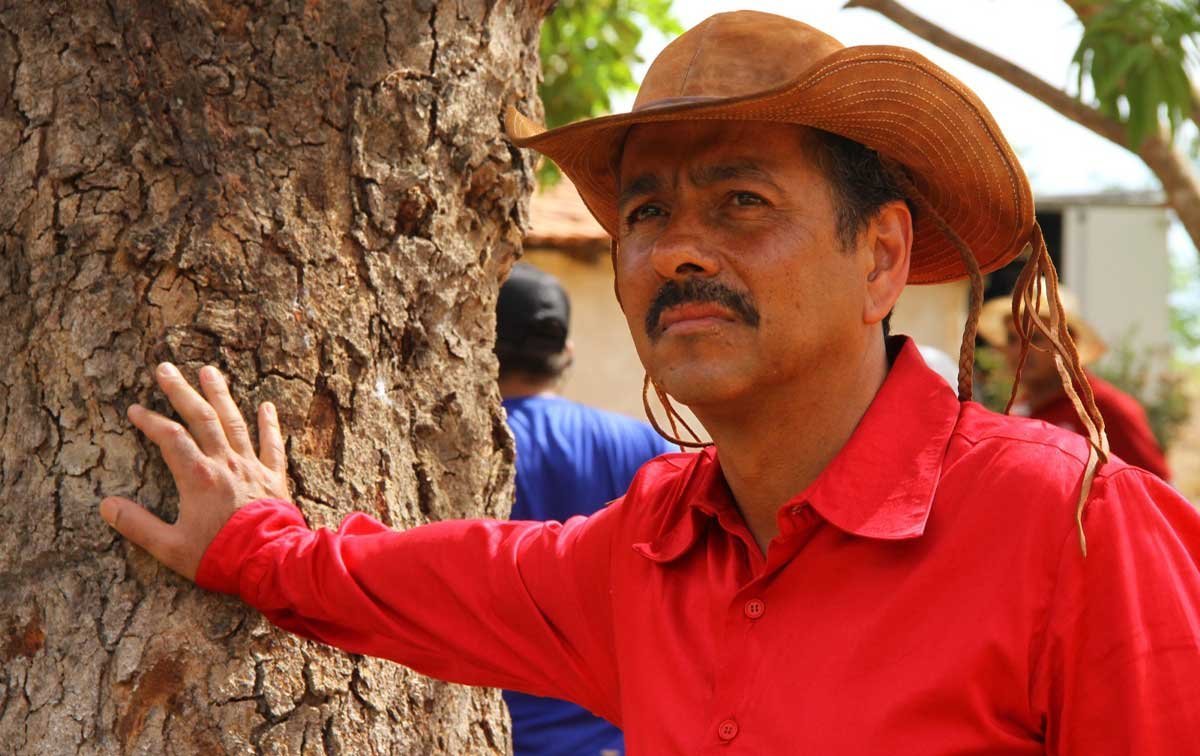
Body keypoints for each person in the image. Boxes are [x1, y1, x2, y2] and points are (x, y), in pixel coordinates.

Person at [98, 11, 1200, 752]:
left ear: (881, 258)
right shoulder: (649, 550)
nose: (677, 251)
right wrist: (248, 544)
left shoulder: (1074, 527)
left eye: (741, 204)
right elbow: (435, 583)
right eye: (646, 213)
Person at [495, 263, 672, 755]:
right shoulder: (647, 446)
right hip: (616, 737)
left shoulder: (463, 454)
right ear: (565, 354)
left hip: (501, 734)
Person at [979, 287, 1171, 481]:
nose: (1020, 350)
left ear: (1068, 344)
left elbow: (1156, 490)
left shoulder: (1106, 409)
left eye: (1035, 338)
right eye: (1012, 339)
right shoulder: (1018, 410)